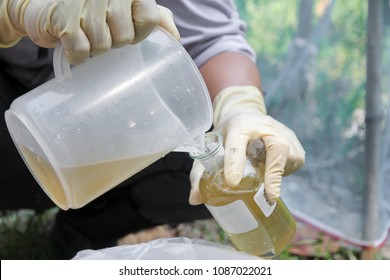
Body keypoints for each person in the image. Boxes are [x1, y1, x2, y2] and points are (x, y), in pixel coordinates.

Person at [0, 0, 305, 259]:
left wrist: (241, 107)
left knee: (220, 162)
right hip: (18, 105)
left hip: (112, 110)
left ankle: (89, 227)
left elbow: (214, 39)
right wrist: (15, 12)